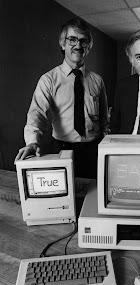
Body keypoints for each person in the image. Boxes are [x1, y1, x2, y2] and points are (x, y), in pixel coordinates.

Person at [15, 18, 109, 178]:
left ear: (88, 46)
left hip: (94, 150)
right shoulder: (49, 80)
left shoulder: (97, 81)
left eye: (83, 41)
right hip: (62, 149)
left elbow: (104, 121)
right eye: (72, 39)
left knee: (93, 194)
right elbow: (36, 114)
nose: (78, 45)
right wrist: (32, 142)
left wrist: (107, 145)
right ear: (62, 44)